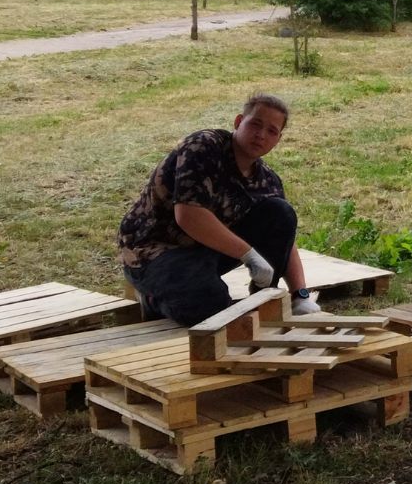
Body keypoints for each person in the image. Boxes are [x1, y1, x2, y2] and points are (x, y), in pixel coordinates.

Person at [118, 94, 312, 326]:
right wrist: (250, 256)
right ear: (238, 122)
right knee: (211, 305)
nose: (261, 135)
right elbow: (188, 216)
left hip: (204, 251)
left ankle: (263, 298)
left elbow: (285, 236)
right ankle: (152, 300)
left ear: (277, 139)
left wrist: (300, 294)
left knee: (281, 211)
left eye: (271, 131)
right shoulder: (204, 147)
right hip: (151, 252)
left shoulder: (267, 180)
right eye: (255, 124)